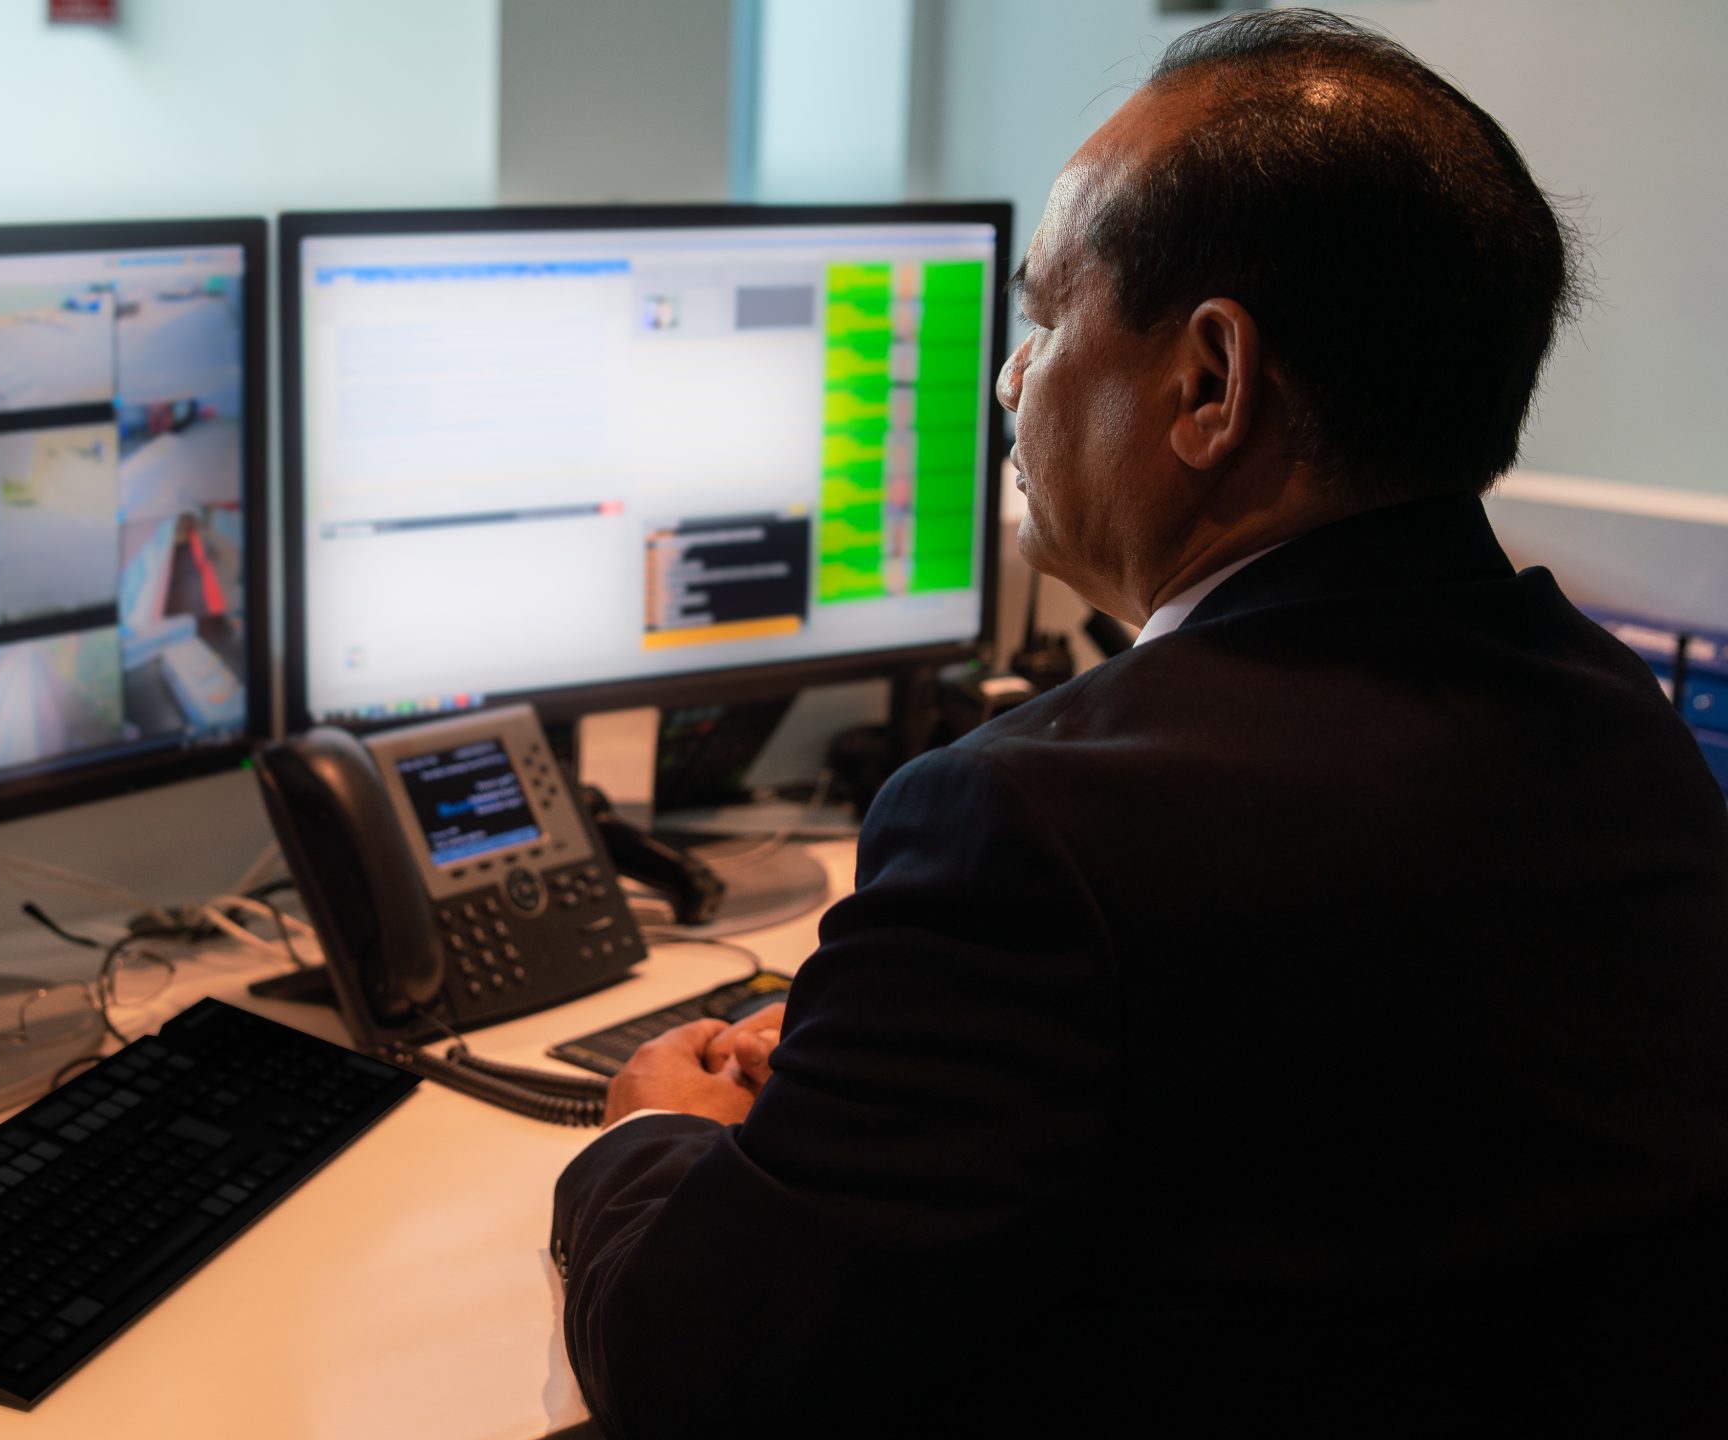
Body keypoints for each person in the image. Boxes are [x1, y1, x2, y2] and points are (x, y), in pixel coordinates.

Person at [550, 10, 1728, 1435]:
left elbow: (697, 1366)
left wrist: (656, 1128)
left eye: (1047, 318)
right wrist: (898, 1055)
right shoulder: (1621, 724)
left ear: (1210, 384)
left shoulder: (1031, 826)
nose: (1009, 376)